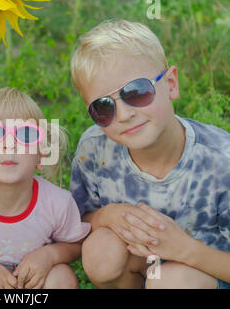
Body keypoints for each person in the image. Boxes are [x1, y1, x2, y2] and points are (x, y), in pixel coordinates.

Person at [69, 19, 230, 289]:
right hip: (144, 265)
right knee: (100, 252)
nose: (125, 115)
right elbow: (76, 222)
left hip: (208, 270)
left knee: (172, 282)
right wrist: (105, 216)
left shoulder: (221, 160)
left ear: (171, 84)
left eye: (137, 92)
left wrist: (183, 249)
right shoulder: (94, 149)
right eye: (103, 107)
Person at [0, 87, 91, 289]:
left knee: (62, 277)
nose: (9, 144)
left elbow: (75, 245)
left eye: (26, 134)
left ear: (41, 155)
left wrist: (48, 256)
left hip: (32, 285)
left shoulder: (58, 202)